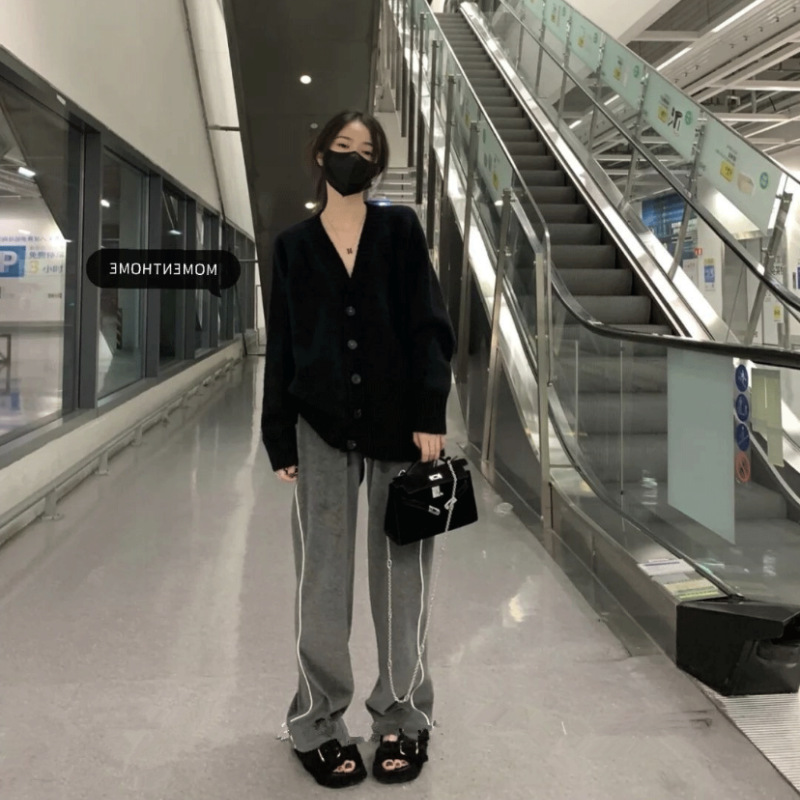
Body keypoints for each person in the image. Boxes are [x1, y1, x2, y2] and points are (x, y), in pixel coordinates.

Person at [261, 110, 457, 789]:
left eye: (366, 149)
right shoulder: (292, 245)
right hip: (317, 427)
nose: (354, 157)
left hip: (402, 430)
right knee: (321, 578)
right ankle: (316, 721)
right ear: (321, 154)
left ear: (378, 164)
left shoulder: (400, 230)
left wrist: (431, 410)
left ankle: (404, 716)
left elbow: (429, 324)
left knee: (404, 576)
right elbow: (283, 343)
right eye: (342, 146)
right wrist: (277, 434)